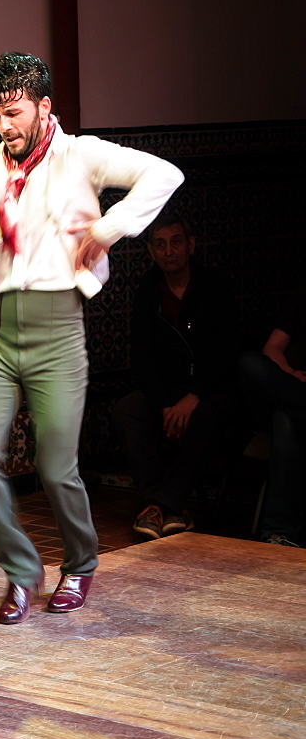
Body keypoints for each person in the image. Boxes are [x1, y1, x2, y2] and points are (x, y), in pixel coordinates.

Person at [0, 52, 183, 624]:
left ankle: (81, 563)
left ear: (43, 106)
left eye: (13, 113)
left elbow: (166, 174)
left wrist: (110, 227)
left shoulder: (80, 156)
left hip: (58, 330)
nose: (4, 127)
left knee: (56, 465)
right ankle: (20, 570)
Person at [113, 213, 242, 540]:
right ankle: (170, 509)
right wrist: (165, 403)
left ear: (191, 245)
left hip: (209, 388)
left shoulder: (216, 286)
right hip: (167, 388)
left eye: (176, 242)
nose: (170, 251)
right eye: (161, 245)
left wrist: (193, 396)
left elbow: (227, 351)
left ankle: (158, 505)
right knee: (127, 409)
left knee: (210, 413)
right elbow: (141, 354)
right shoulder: (147, 290)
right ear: (151, 251)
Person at [238, 290, 306, 547]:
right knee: (249, 363)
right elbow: (272, 347)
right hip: (291, 387)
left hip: (289, 410)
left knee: (285, 419)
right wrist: (289, 374)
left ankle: (280, 533)